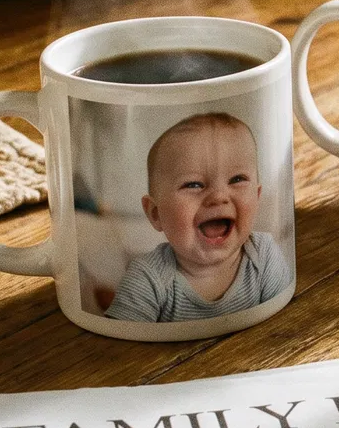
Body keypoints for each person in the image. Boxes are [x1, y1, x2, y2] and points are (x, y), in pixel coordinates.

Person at [106, 113, 291, 322]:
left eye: (237, 179)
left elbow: (287, 321)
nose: (218, 196)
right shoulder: (148, 278)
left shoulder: (264, 255)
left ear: (256, 198)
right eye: (193, 184)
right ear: (156, 214)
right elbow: (121, 350)